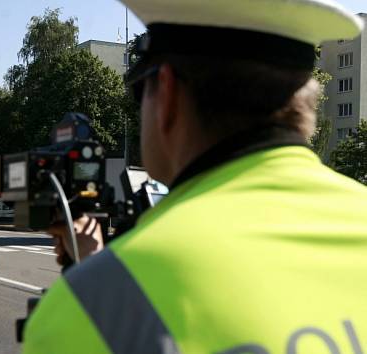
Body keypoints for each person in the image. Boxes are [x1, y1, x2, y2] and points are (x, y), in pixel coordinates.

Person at [22, 1, 367, 353]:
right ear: (306, 105)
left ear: (167, 93)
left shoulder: (85, 312)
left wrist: (99, 283)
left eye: (139, 92)